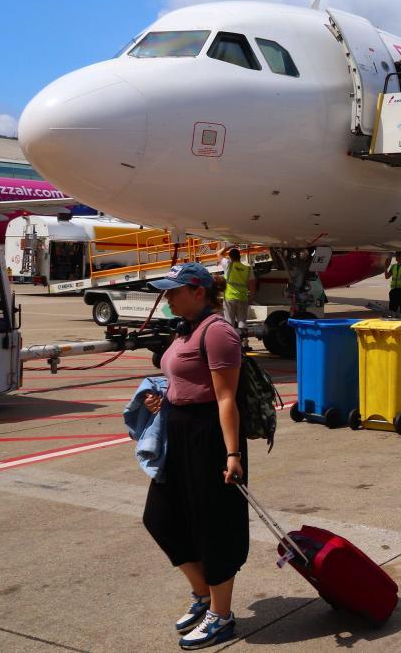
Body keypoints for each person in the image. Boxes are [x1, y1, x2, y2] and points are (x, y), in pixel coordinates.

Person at [140, 262, 247, 648]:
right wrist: (163, 399)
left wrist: (232, 454)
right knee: (161, 517)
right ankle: (203, 594)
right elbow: (182, 379)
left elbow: (225, 398)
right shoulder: (185, 328)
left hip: (211, 438)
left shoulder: (218, 333)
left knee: (213, 526)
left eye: (173, 290)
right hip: (178, 431)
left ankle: (222, 614)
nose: (166, 297)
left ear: (198, 291)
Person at [217, 246, 255, 346]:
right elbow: (252, 285)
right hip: (242, 298)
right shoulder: (247, 269)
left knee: (229, 321)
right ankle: (245, 344)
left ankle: (230, 343)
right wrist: (250, 297)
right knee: (242, 321)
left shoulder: (228, 265)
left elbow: (219, 253)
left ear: (230, 257)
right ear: (239, 256)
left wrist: (230, 246)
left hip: (230, 297)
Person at [385, 251, 401, 316]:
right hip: (394, 290)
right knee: (392, 309)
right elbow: (387, 276)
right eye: (396, 256)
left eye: (398, 256)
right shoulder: (393, 266)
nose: (396, 257)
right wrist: (385, 267)